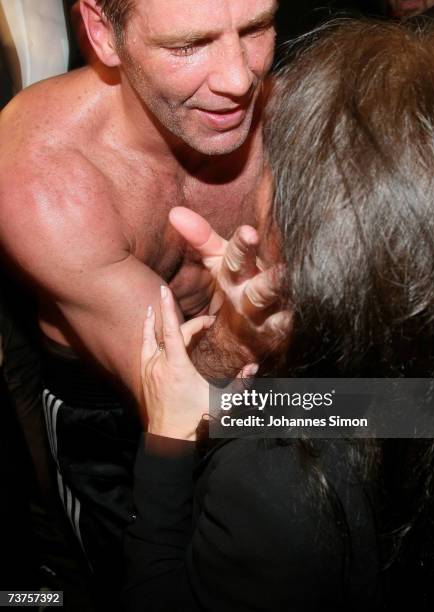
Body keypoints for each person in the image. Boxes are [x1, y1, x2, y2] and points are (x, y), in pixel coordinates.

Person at [124, 19, 434, 610]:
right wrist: (229, 377)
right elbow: (356, 411)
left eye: (275, 157)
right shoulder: (418, 384)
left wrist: (168, 441)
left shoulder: (271, 486)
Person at [0, 0, 282, 598]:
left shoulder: (291, 116)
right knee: (124, 579)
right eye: (188, 45)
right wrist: (248, 335)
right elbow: (172, 397)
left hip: (265, 387)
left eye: (256, 28)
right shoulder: (40, 171)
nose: (239, 79)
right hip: (111, 421)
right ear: (103, 33)